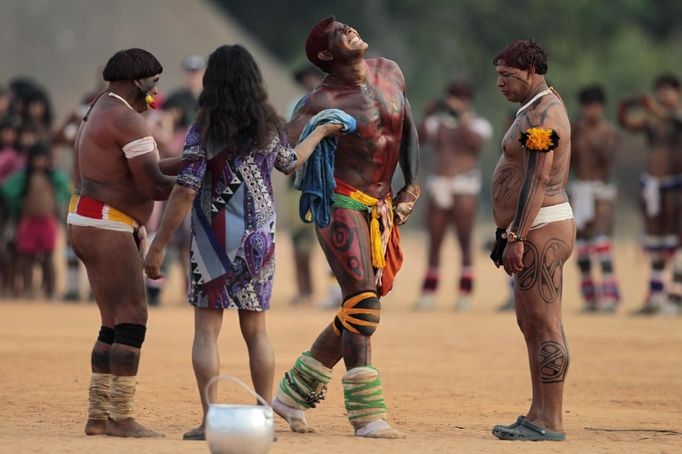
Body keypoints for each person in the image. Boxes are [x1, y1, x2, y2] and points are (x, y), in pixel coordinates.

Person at [143, 44, 342, 441]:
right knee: (257, 331)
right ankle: (263, 417)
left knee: (206, 331)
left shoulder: (205, 128)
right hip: (259, 238)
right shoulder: (269, 126)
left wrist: (159, 244)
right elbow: (290, 163)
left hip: (212, 239)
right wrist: (319, 131)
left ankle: (209, 418)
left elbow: (185, 189)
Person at [271, 17, 420, 439]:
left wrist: (412, 184)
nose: (350, 29)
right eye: (339, 33)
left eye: (347, 26)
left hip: (382, 205)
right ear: (325, 55)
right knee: (362, 303)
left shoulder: (390, 70)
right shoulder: (318, 101)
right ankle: (366, 415)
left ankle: (291, 396)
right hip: (341, 202)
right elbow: (283, 159)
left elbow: (406, 130)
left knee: (361, 308)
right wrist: (318, 133)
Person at [66, 48, 178, 438]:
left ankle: (99, 416)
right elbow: (151, 184)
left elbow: (140, 173)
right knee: (133, 317)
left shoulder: (101, 108)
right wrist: (195, 177)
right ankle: (121, 417)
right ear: (138, 81)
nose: (156, 90)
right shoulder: (127, 119)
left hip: (90, 219)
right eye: (154, 82)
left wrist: (188, 161)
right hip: (106, 224)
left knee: (112, 321)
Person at [489, 39, 575, 441]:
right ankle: (537, 413)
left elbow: (538, 179)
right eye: (498, 76)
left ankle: (551, 421)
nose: (501, 84)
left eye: (508, 77)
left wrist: (516, 236)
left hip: (541, 229)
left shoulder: (544, 115)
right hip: (531, 228)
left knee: (545, 323)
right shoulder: (531, 109)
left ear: (531, 72)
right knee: (530, 324)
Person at [415, 80, 492, 310]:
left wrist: (463, 119)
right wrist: (427, 113)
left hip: (464, 186)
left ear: (467, 102)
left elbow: (475, 144)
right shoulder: (437, 123)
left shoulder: (478, 124)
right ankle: (429, 291)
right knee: (435, 240)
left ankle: (464, 293)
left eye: (459, 99)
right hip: (439, 184)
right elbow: (418, 138)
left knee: (465, 239)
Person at [619, 74, 682, 315]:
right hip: (655, 186)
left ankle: (676, 297)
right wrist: (626, 105)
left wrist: (653, 108)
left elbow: (676, 120)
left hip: (677, 186)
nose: (664, 94)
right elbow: (626, 123)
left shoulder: (675, 117)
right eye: (660, 90)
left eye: (668, 90)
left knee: (678, 240)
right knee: (655, 240)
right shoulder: (652, 121)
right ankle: (656, 297)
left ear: (677, 92)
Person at [569, 85, 621, 313]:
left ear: (601, 107)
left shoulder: (607, 131)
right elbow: (569, 163)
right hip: (580, 190)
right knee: (581, 247)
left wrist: (590, 135)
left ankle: (610, 295)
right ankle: (589, 297)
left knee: (601, 243)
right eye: (586, 106)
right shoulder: (575, 130)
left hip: (601, 192)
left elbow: (608, 157)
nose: (590, 110)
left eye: (594, 106)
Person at [1, 143, 70, 298]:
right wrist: (18, 204)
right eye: (37, 159)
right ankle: (27, 289)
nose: (40, 162)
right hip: (28, 221)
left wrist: (57, 199)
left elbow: (66, 186)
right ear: (31, 159)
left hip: (47, 221)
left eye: (43, 159)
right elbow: (6, 188)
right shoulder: (24, 176)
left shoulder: (53, 176)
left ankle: (50, 291)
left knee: (48, 257)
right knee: (26, 257)